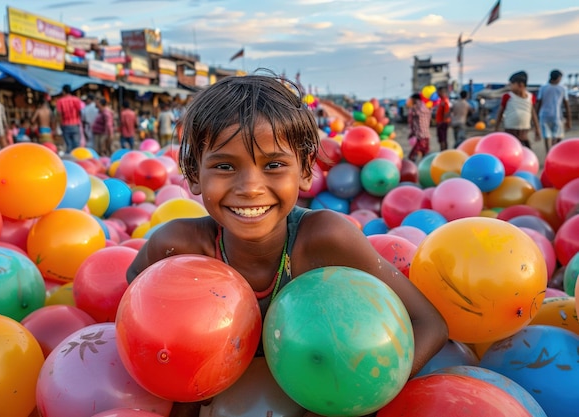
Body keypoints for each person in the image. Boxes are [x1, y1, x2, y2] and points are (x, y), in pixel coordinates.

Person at [126, 74, 448, 417]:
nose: (250, 187)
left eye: (274, 165)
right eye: (224, 166)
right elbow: (134, 312)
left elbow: (428, 323)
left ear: (306, 171)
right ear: (193, 174)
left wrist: (366, 395)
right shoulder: (176, 249)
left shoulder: (325, 240)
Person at [495, 71, 542, 148]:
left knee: (526, 149)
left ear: (521, 85)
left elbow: (533, 113)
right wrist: (496, 128)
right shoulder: (507, 96)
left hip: (524, 130)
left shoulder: (530, 97)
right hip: (510, 129)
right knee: (510, 148)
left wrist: (537, 129)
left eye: (512, 84)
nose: (510, 87)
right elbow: (500, 112)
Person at [536, 69, 572, 153]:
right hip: (557, 116)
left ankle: (549, 152)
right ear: (558, 78)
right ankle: (555, 152)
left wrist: (536, 117)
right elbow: (566, 105)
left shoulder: (543, 88)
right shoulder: (562, 88)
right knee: (558, 136)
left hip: (544, 115)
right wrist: (568, 120)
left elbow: (539, 103)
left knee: (546, 137)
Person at [56, 84, 83, 153]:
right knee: (76, 144)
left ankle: (70, 160)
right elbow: (80, 111)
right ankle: (77, 159)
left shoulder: (60, 101)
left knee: (68, 145)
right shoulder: (76, 100)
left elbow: (59, 114)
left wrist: (60, 124)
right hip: (75, 124)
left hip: (65, 124)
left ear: (63, 91)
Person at [407, 93, 432, 162]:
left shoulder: (414, 108)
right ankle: (425, 168)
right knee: (425, 155)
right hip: (426, 134)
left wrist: (411, 133)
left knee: (412, 156)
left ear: (415, 99)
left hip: (419, 135)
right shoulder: (426, 107)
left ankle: (411, 168)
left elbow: (410, 121)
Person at [435, 86, 451, 151]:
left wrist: (443, 121)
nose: (438, 93)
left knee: (443, 138)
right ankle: (443, 150)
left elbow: (446, 112)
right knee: (441, 138)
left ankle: (443, 151)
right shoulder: (440, 101)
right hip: (440, 122)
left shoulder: (445, 101)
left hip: (442, 122)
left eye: (438, 92)